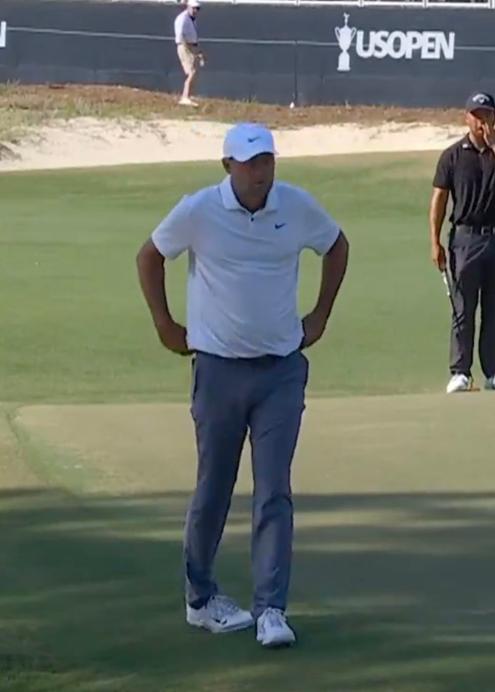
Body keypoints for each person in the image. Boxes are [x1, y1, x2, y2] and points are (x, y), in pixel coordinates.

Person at [135, 123, 350, 648]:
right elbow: (150, 255)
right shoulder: (200, 210)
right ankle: (201, 599)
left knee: (274, 490)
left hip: (280, 368)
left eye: (267, 161)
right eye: (251, 163)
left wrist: (319, 316)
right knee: (214, 488)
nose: (261, 172)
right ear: (228, 165)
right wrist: (165, 325)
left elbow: (336, 246)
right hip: (218, 369)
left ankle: (271, 608)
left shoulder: (295, 206)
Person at [429, 92, 495, 394]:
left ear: (494, 118)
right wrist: (434, 242)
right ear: (466, 118)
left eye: (486, 114)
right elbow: (439, 199)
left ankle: (493, 371)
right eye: (476, 115)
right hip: (464, 240)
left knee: (494, 309)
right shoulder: (452, 155)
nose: (480, 120)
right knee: (463, 309)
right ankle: (460, 372)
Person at [174, 0, 205, 107]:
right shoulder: (182, 18)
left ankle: (188, 95)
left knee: (193, 72)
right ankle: (185, 97)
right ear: (188, 7)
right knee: (192, 72)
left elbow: (194, 37)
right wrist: (188, 50)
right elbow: (181, 36)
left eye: (197, 8)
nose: (196, 10)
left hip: (191, 46)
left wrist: (198, 52)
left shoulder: (192, 20)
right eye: (194, 8)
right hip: (184, 46)